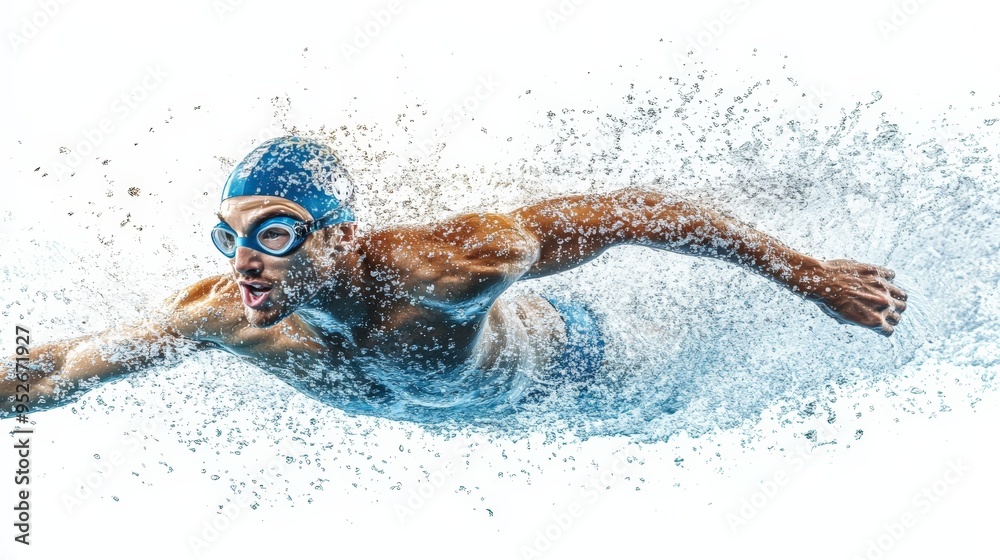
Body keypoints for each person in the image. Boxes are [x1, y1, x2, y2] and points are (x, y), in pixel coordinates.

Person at [1, 136, 907, 419]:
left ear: (341, 233)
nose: (246, 260)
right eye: (228, 236)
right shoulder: (226, 316)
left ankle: (802, 190)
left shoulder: (441, 266)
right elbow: (60, 368)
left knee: (711, 377)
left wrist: (809, 274)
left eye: (274, 232)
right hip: (494, 423)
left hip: (589, 366)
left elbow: (635, 210)